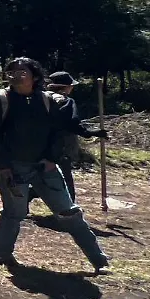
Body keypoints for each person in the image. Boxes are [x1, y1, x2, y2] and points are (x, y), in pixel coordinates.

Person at [0, 58, 110, 274]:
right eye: (12, 72)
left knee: (69, 212)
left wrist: (52, 158)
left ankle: (99, 261)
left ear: (34, 76)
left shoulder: (49, 100)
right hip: (13, 168)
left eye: (22, 71)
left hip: (45, 167)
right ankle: (1, 255)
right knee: (14, 212)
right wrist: (3, 165)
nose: (16, 75)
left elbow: (59, 131)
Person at [41, 71, 109, 202]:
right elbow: (72, 123)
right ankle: (70, 209)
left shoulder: (40, 98)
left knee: (42, 177)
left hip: (38, 148)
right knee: (66, 181)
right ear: (66, 87)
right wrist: (92, 133)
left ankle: (27, 197)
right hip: (59, 148)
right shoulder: (66, 101)